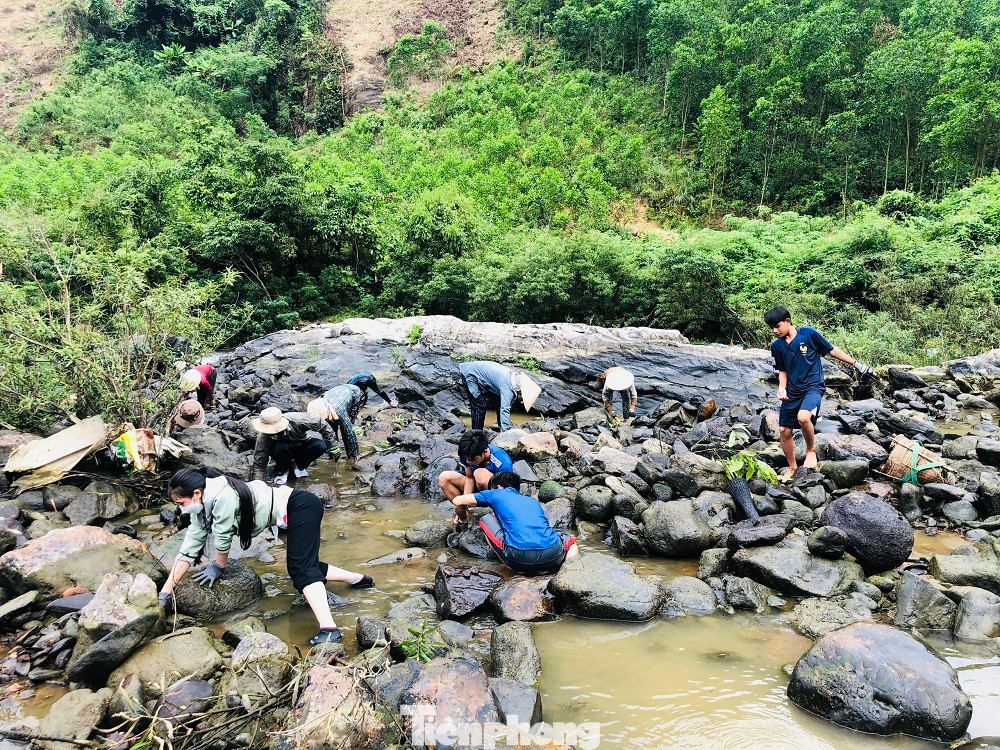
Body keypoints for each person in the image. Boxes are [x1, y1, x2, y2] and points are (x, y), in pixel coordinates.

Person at [157, 467, 373, 646]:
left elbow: (223, 538)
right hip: (289, 513)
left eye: (181, 503)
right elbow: (190, 544)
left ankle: (330, 630)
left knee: (302, 571)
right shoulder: (204, 504)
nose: (181, 509)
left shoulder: (223, 497)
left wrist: (219, 566)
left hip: (300, 506)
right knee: (307, 565)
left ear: (196, 493)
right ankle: (359, 580)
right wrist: (166, 591)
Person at [765, 306, 874, 477]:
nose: (774, 330)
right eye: (771, 328)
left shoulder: (808, 334)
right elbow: (782, 370)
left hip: (813, 386)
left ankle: (810, 450)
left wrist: (855, 364)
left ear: (788, 321)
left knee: (803, 417)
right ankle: (793, 468)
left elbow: (831, 350)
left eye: (777, 326)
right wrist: (781, 388)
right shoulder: (776, 346)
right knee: (784, 431)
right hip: (792, 390)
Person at [450, 471, 579, 575]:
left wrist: (463, 519)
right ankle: (568, 576)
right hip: (552, 554)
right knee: (570, 540)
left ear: (499, 487)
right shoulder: (531, 501)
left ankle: (509, 569)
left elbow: (457, 501)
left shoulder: (496, 493)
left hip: (519, 558)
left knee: (485, 520)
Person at [252, 407, 338, 485]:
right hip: (281, 451)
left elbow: (322, 424)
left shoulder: (298, 420)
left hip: (301, 444)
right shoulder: (263, 435)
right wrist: (258, 484)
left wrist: (333, 445)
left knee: (320, 446)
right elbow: (260, 461)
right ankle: (283, 471)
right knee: (281, 447)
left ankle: (297, 466)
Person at [457, 360, 541, 432]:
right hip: (470, 374)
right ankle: (476, 434)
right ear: (520, 392)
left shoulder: (513, 379)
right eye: (522, 399)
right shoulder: (507, 388)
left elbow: (502, 405)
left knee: (498, 401)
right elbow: (505, 409)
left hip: (482, 373)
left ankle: (500, 426)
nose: (521, 401)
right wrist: (506, 431)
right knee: (479, 406)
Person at [438, 429, 515, 501]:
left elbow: (506, 492)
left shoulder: (503, 462)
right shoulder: (467, 453)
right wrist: (463, 502)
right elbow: (469, 477)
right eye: (466, 458)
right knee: (444, 477)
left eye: (472, 459)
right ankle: (464, 512)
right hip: (474, 486)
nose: (468, 462)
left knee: (479, 474)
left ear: (485, 452)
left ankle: (488, 505)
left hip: (495, 491)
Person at [313, 384, 364, 464]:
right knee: (329, 428)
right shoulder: (318, 404)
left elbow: (350, 433)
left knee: (346, 429)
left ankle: (352, 457)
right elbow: (326, 432)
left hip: (354, 393)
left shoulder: (340, 411)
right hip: (336, 394)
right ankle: (332, 454)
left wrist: (355, 456)